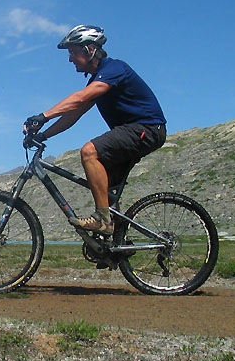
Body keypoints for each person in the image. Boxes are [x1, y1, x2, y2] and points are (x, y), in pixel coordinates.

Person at [23, 25, 166, 236]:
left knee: (89, 151)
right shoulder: (98, 79)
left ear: (89, 50)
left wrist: (43, 117)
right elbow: (73, 114)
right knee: (106, 189)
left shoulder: (114, 69)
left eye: (73, 52)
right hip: (134, 131)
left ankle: (103, 219)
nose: (70, 59)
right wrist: (43, 135)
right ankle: (117, 244)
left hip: (146, 129)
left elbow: (79, 99)